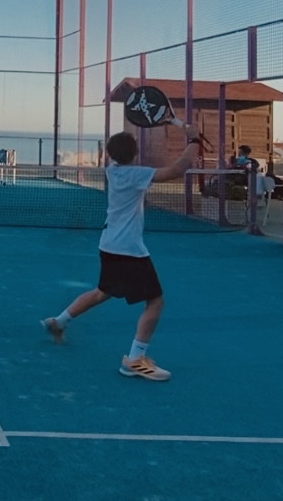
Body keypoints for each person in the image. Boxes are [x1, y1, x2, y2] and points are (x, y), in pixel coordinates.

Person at [42, 122, 203, 381]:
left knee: (102, 292)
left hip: (108, 246)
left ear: (111, 154)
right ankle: (134, 360)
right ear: (135, 153)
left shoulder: (112, 170)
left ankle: (58, 322)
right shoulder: (135, 175)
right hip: (129, 251)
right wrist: (195, 140)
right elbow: (177, 170)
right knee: (155, 301)